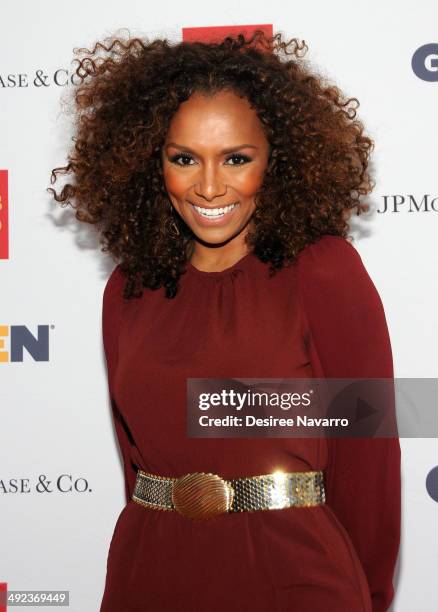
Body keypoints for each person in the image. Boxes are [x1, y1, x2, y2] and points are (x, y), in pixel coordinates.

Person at [48, 30, 401, 612]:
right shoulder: (128, 289)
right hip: (151, 572)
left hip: (295, 577)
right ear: (151, 160)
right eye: (184, 158)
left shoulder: (322, 271)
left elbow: (370, 463)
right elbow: (136, 465)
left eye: (236, 158)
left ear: (276, 159)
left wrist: (367, 595)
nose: (209, 186)